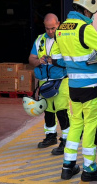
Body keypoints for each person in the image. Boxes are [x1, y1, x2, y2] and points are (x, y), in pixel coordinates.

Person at [50, 0, 97, 182]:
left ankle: (67, 167)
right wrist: (94, 61)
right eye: (93, 12)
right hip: (92, 88)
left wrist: (74, 64)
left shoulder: (61, 29)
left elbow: (55, 59)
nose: (93, 16)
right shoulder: (84, 29)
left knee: (76, 124)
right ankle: (89, 169)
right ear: (88, 9)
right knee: (91, 127)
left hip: (73, 87)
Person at [28, 13, 71, 155]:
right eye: (47, 29)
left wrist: (54, 61)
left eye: (53, 28)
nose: (50, 31)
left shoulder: (64, 39)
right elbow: (31, 59)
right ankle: (51, 136)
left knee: (62, 111)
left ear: (58, 24)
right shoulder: (40, 40)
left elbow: (70, 60)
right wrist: (38, 61)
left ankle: (66, 141)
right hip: (44, 82)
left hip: (61, 81)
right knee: (48, 111)